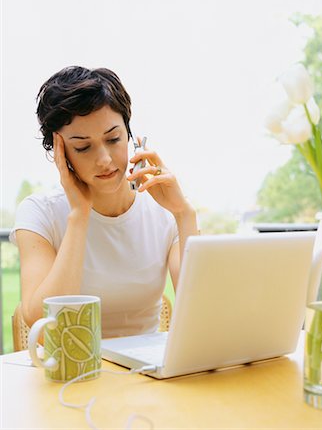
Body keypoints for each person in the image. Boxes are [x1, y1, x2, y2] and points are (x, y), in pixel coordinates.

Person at [10, 66, 198, 338]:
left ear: (129, 134)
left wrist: (184, 213)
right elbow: (43, 323)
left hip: (143, 374)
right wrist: (78, 215)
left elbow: (200, 310)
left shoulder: (164, 211)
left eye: (113, 139)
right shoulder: (39, 212)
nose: (105, 160)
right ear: (59, 152)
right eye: (83, 147)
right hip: (69, 375)